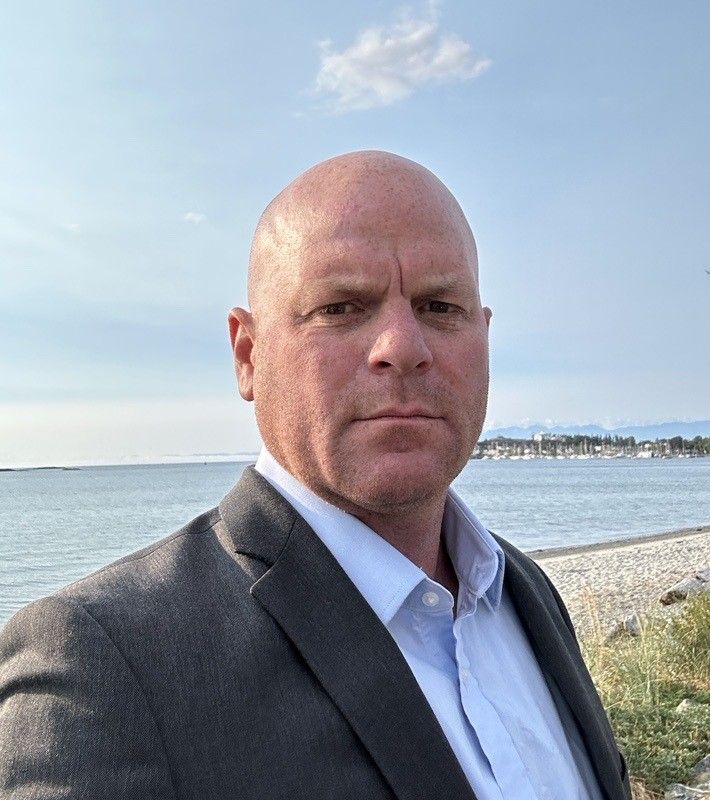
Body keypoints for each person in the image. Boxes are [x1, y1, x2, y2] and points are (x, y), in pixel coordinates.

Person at [0, 151, 631, 800]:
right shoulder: (103, 667)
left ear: (485, 336)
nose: (403, 347)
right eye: (340, 306)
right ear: (248, 355)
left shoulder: (525, 593)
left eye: (441, 306)